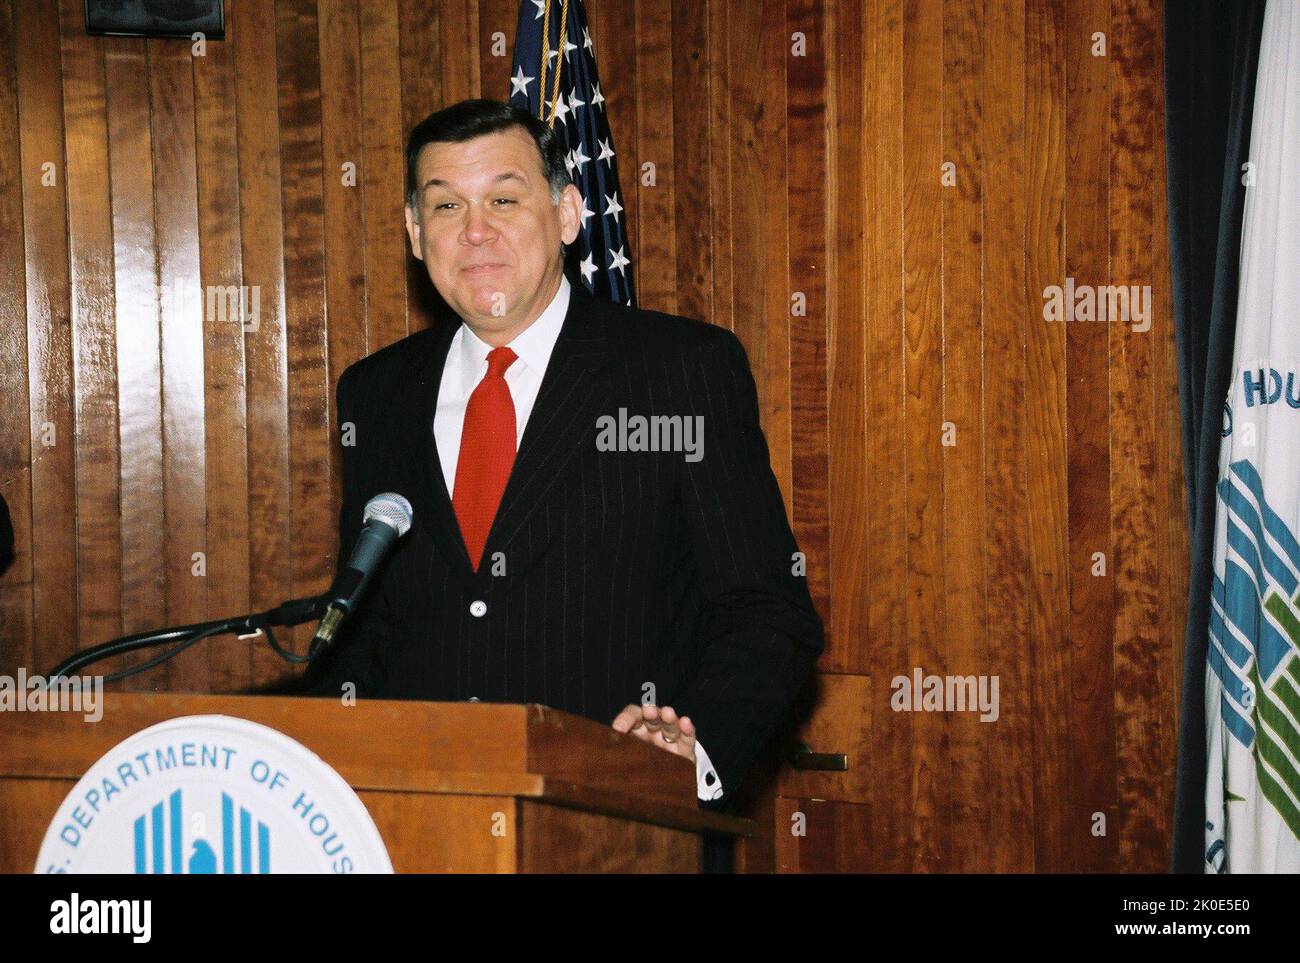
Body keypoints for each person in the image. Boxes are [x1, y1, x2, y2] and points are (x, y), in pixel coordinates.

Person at [301, 99, 823, 830]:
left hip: (618, 827)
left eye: (504, 199)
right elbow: (368, 629)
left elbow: (768, 610)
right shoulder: (376, 393)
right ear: (416, 234)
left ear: (569, 213)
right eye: (446, 204)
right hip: (420, 826)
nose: (475, 230)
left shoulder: (679, 371)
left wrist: (691, 745)